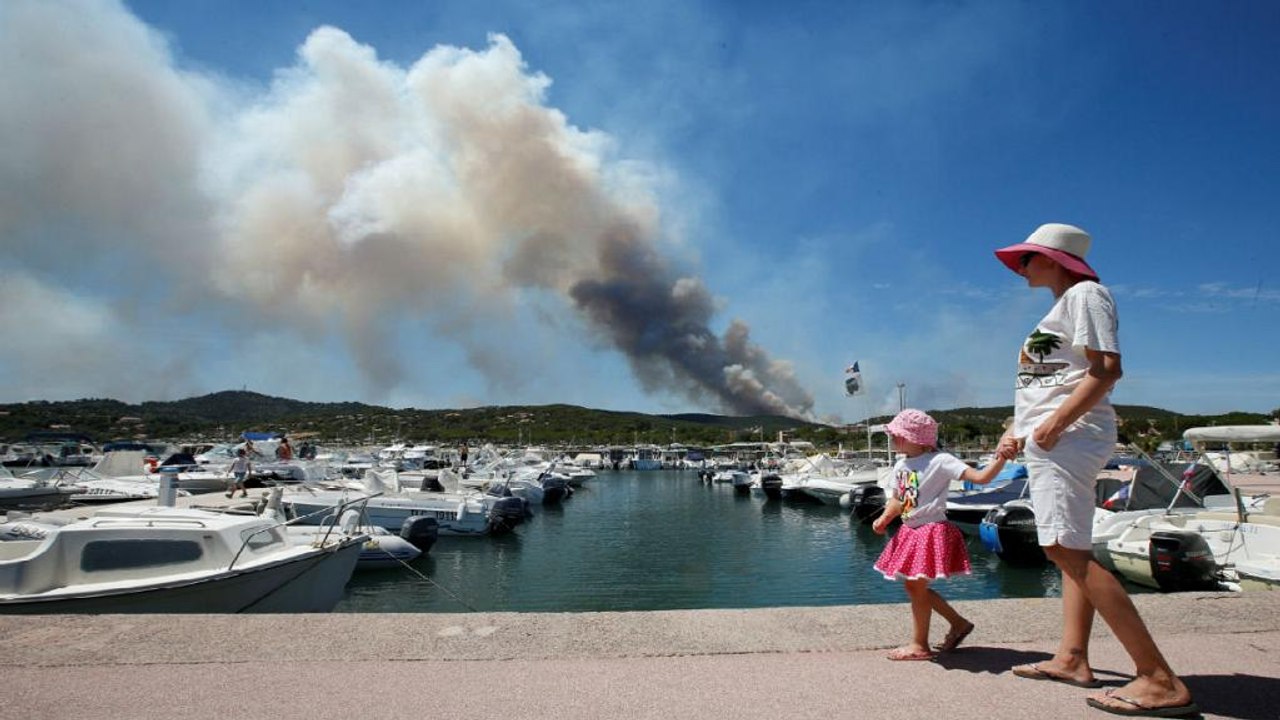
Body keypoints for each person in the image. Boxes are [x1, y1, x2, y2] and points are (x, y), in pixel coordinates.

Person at [994, 223, 1196, 717]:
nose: (1021, 266)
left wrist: (1054, 425)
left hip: (1068, 437)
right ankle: (1073, 657)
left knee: (1061, 547)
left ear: (1056, 260)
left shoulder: (1087, 294)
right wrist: (1021, 427)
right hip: (1056, 435)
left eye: (1028, 258)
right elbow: (1051, 381)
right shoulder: (1065, 303)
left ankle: (1157, 678)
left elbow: (1106, 368)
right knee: (1072, 548)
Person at [871, 408, 1009, 661]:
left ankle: (920, 644)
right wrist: (885, 518)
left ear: (915, 438)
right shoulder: (902, 464)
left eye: (897, 434)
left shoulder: (940, 461)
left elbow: (980, 477)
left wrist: (1000, 458)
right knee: (914, 587)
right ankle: (957, 624)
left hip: (931, 529)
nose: (892, 438)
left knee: (916, 587)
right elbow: (901, 499)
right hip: (911, 529)